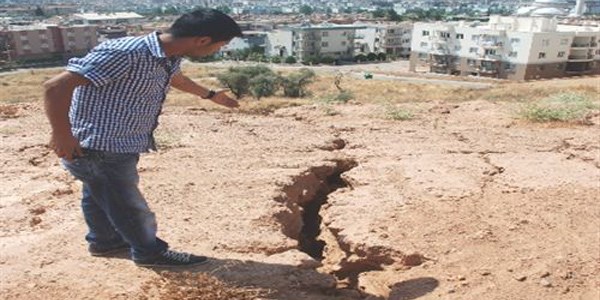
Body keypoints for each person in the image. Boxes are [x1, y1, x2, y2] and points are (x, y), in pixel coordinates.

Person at [43, 8, 242, 267]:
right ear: (202, 40)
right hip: (99, 145)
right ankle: (150, 252)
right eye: (220, 45)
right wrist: (61, 134)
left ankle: (105, 242)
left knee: (98, 192)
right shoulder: (125, 53)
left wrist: (210, 95)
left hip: (118, 142)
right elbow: (56, 86)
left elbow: (176, 79)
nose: (217, 50)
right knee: (128, 204)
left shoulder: (168, 55)